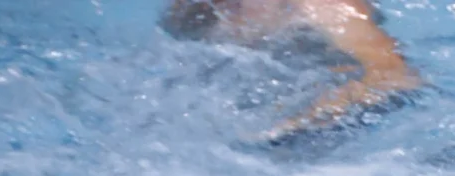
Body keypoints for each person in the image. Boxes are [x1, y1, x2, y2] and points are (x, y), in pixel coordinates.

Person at [163, 0, 421, 140]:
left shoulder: (326, 7)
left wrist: (302, 121)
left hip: (339, 116)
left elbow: (397, 77)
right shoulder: (192, 11)